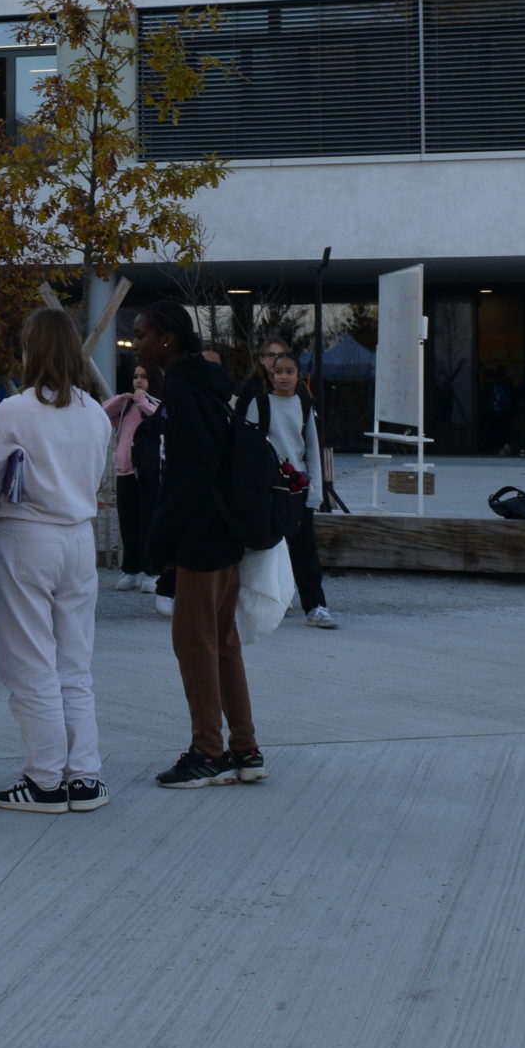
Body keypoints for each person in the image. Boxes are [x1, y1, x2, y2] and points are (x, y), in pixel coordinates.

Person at [0, 308, 114, 814]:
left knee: (30, 663)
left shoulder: (15, 411)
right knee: (74, 663)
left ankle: (44, 779)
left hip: (26, 535)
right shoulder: (95, 412)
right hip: (78, 538)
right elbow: (97, 477)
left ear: (31, 350)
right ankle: (84, 775)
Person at [133, 301, 261, 790]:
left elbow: (190, 473)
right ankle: (245, 749)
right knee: (223, 644)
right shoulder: (206, 385)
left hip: (201, 537)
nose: (136, 344)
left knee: (194, 644)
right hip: (224, 532)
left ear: (166, 339)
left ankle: (209, 752)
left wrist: (159, 537)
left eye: (141, 334)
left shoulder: (183, 390)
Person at [250, 337, 336, 628]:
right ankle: (271, 603)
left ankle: (315, 606)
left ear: (299, 376)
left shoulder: (303, 407)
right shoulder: (259, 404)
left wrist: (315, 491)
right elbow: (249, 446)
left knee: (304, 549)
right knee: (266, 548)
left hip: (297, 487)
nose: (283, 376)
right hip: (266, 489)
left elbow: (311, 448)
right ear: (270, 375)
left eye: (289, 371)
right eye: (278, 371)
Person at [104, 365, 164, 591]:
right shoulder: (125, 408)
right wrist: (120, 399)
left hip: (148, 472)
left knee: (148, 522)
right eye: (136, 376)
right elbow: (101, 414)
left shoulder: (156, 404)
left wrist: (141, 401)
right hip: (124, 471)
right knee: (128, 524)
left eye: (144, 377)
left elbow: (159, 419)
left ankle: (151, 571)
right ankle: (131, 569)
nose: (138, 381)